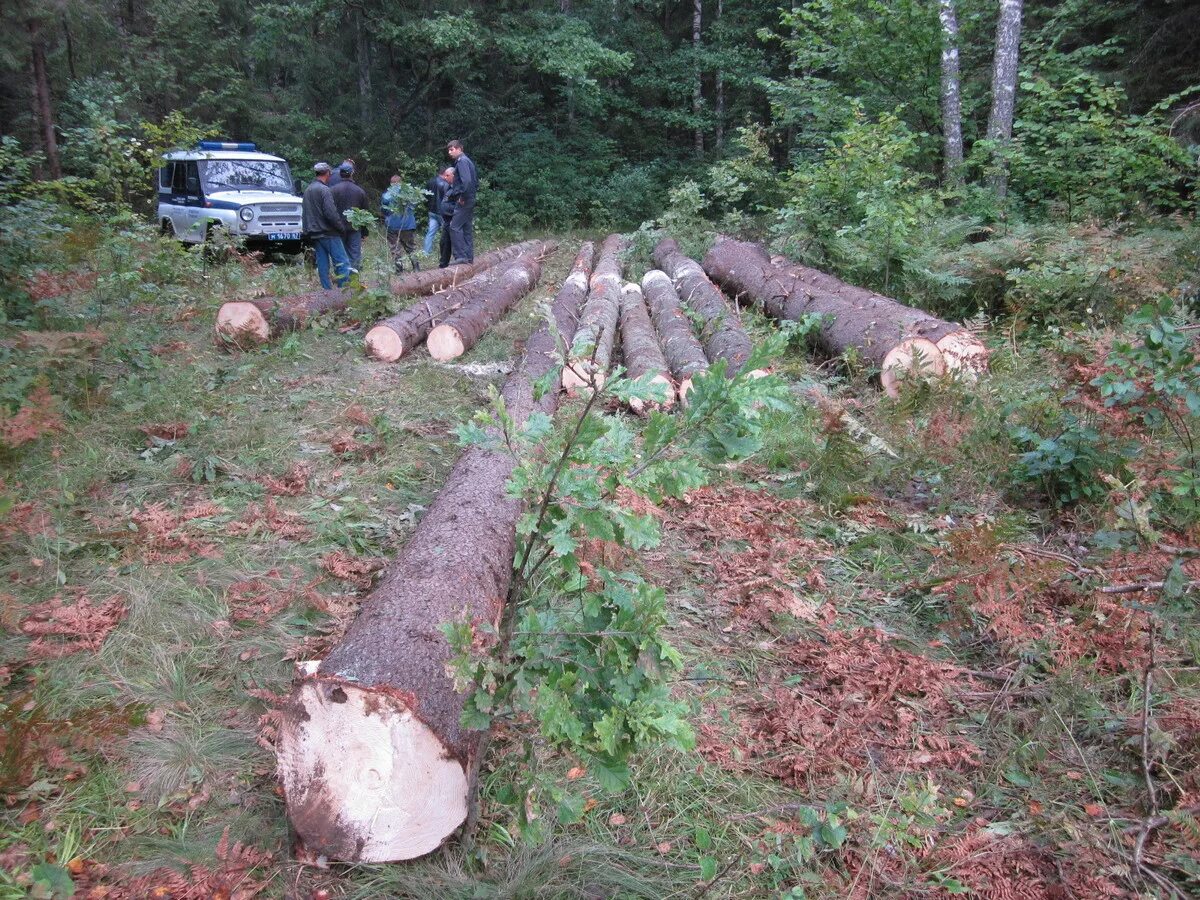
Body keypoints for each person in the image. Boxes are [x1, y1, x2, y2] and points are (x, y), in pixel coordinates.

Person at [302, 162, 351, 290]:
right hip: (328, 233)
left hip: (314, 233)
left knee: (323, 264)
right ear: (328, 173)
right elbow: (331, 213)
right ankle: (343, 292)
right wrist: (341, 228)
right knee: (342, 263)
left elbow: (305, 213)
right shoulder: (324, 190)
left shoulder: (308, 190)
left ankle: (326, 291)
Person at [331, 161, 369, 271]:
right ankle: (354, 278)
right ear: (352, 173)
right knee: (355, 254)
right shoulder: (360, 191)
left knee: (340, 253)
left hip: (338, 228)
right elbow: (365, 213)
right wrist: (365, 231)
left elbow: (329, 210)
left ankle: (342, 278)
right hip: (355, 228)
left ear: (340, 173)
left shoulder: (333, 190)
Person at [445, 139, 477, 264]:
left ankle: (460, 256)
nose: (449, 152)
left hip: (464, 199)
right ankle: (469, 257)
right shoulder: (466, 161)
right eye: (449, 150)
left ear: (459, 149)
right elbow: (474, 181)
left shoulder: (462, 161)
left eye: (452, 149)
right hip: (470, 198)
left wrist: (462, 197)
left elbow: (467, 181)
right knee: (466, 227)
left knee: (454, 227)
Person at [382, 175, 419, 273]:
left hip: (392, 225)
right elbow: (414, 206)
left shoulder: (386, 195)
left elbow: (384, 210)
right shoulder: (409, 193)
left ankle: (399, 270)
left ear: (391, 184)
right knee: (410, 247)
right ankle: (416, 268)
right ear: (401, 183)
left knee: (395, 248)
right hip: (407, 224)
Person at [423, 169, 449, 255]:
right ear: (444, 173)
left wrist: (428, 207)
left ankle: (426, 253)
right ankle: (448, 253)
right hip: (442, 212)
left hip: (431, 211)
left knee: (430, 233)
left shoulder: (430, 182)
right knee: (448, 232)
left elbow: (425, 197)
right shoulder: (445, 183)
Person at [437, 167, 459, 268]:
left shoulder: (458, 188)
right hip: (446, 220)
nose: (445, 177)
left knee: (456, 243)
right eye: (444, 175)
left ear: (453, 175)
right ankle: (443, 265)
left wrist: (454, 216)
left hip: (454, 220)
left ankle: (460, 264)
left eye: (447, 175)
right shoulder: (448, 187)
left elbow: (460, 206)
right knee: (444, 243)